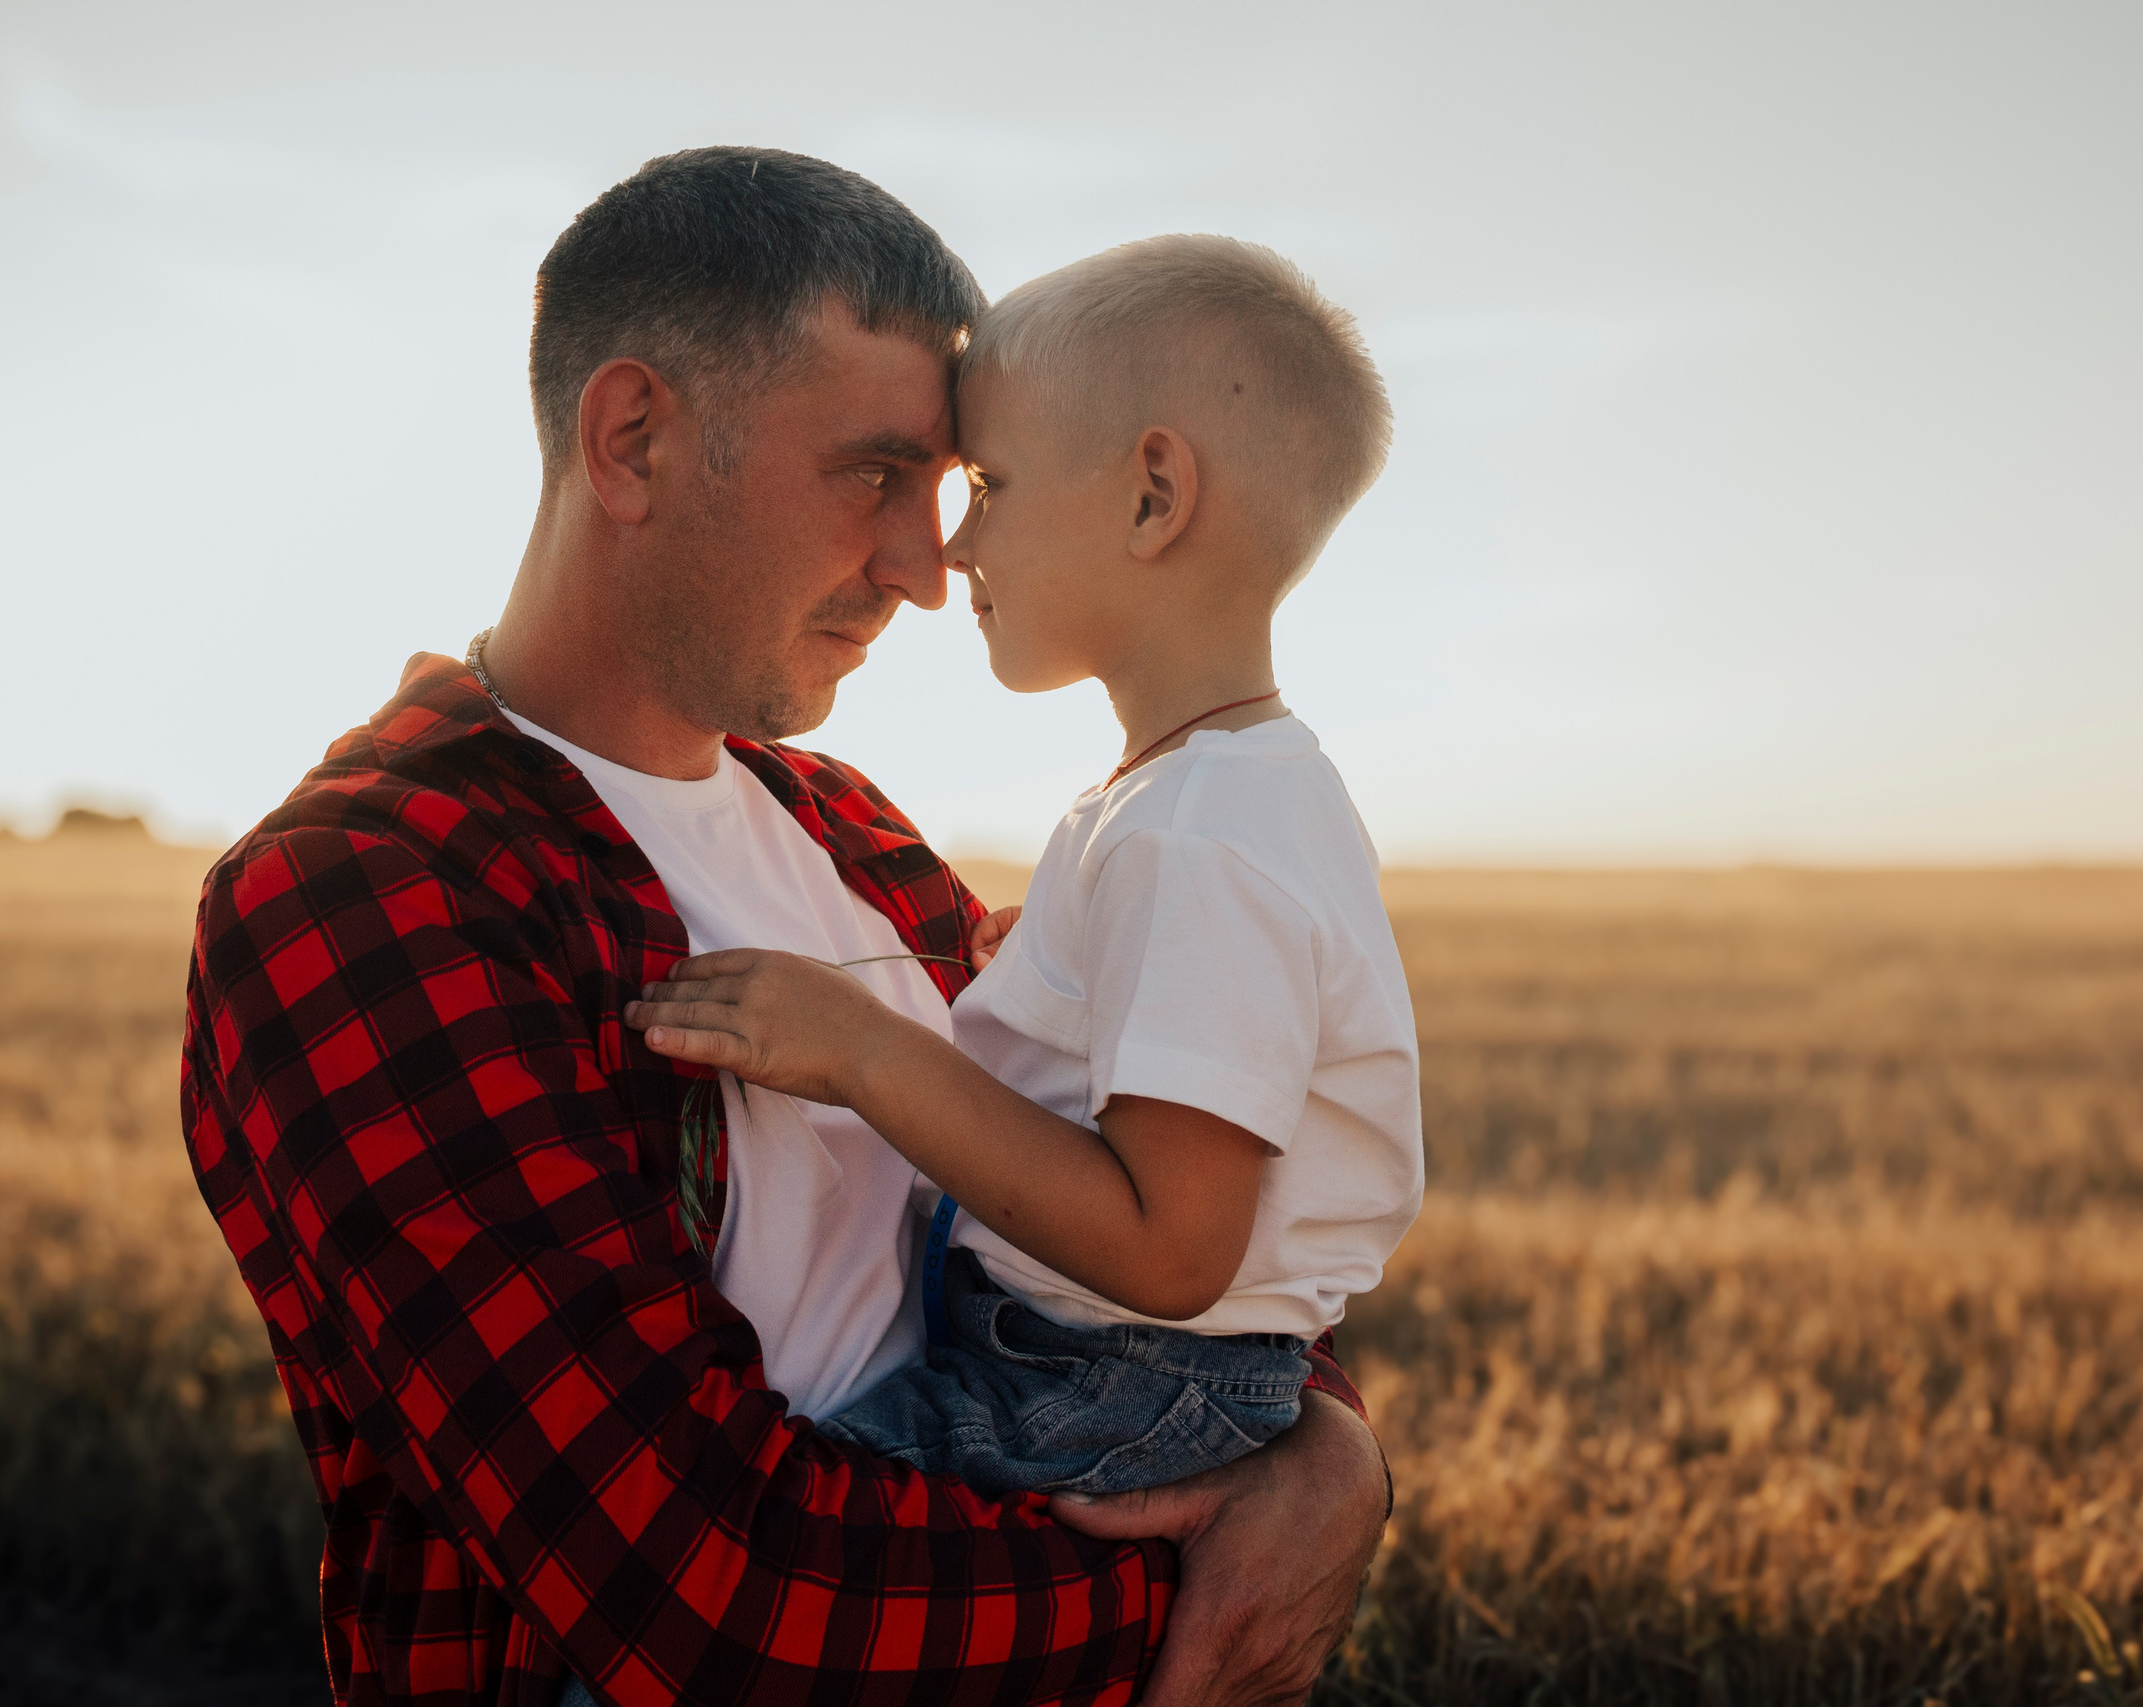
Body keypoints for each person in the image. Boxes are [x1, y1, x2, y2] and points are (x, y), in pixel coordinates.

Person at [181, 147, 1389, 1707]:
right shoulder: (369, 892)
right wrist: (1205, 1576)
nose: (923, 569)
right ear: (633, 439)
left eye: (954, 491)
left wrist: (1326, 1450)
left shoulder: (855, 834)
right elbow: (711, 1605)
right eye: (876, 473)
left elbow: (1161, 1211)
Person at [624, 236, 1423, 1501]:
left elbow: (1170, 1254)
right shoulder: (1213, 801)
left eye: (988, 484)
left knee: (716, 1547)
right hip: (1108, 1365)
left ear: (1154, 496)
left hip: (1095, 1372)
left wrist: (868, 1052)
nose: (950, 553)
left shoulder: (1195, 838)